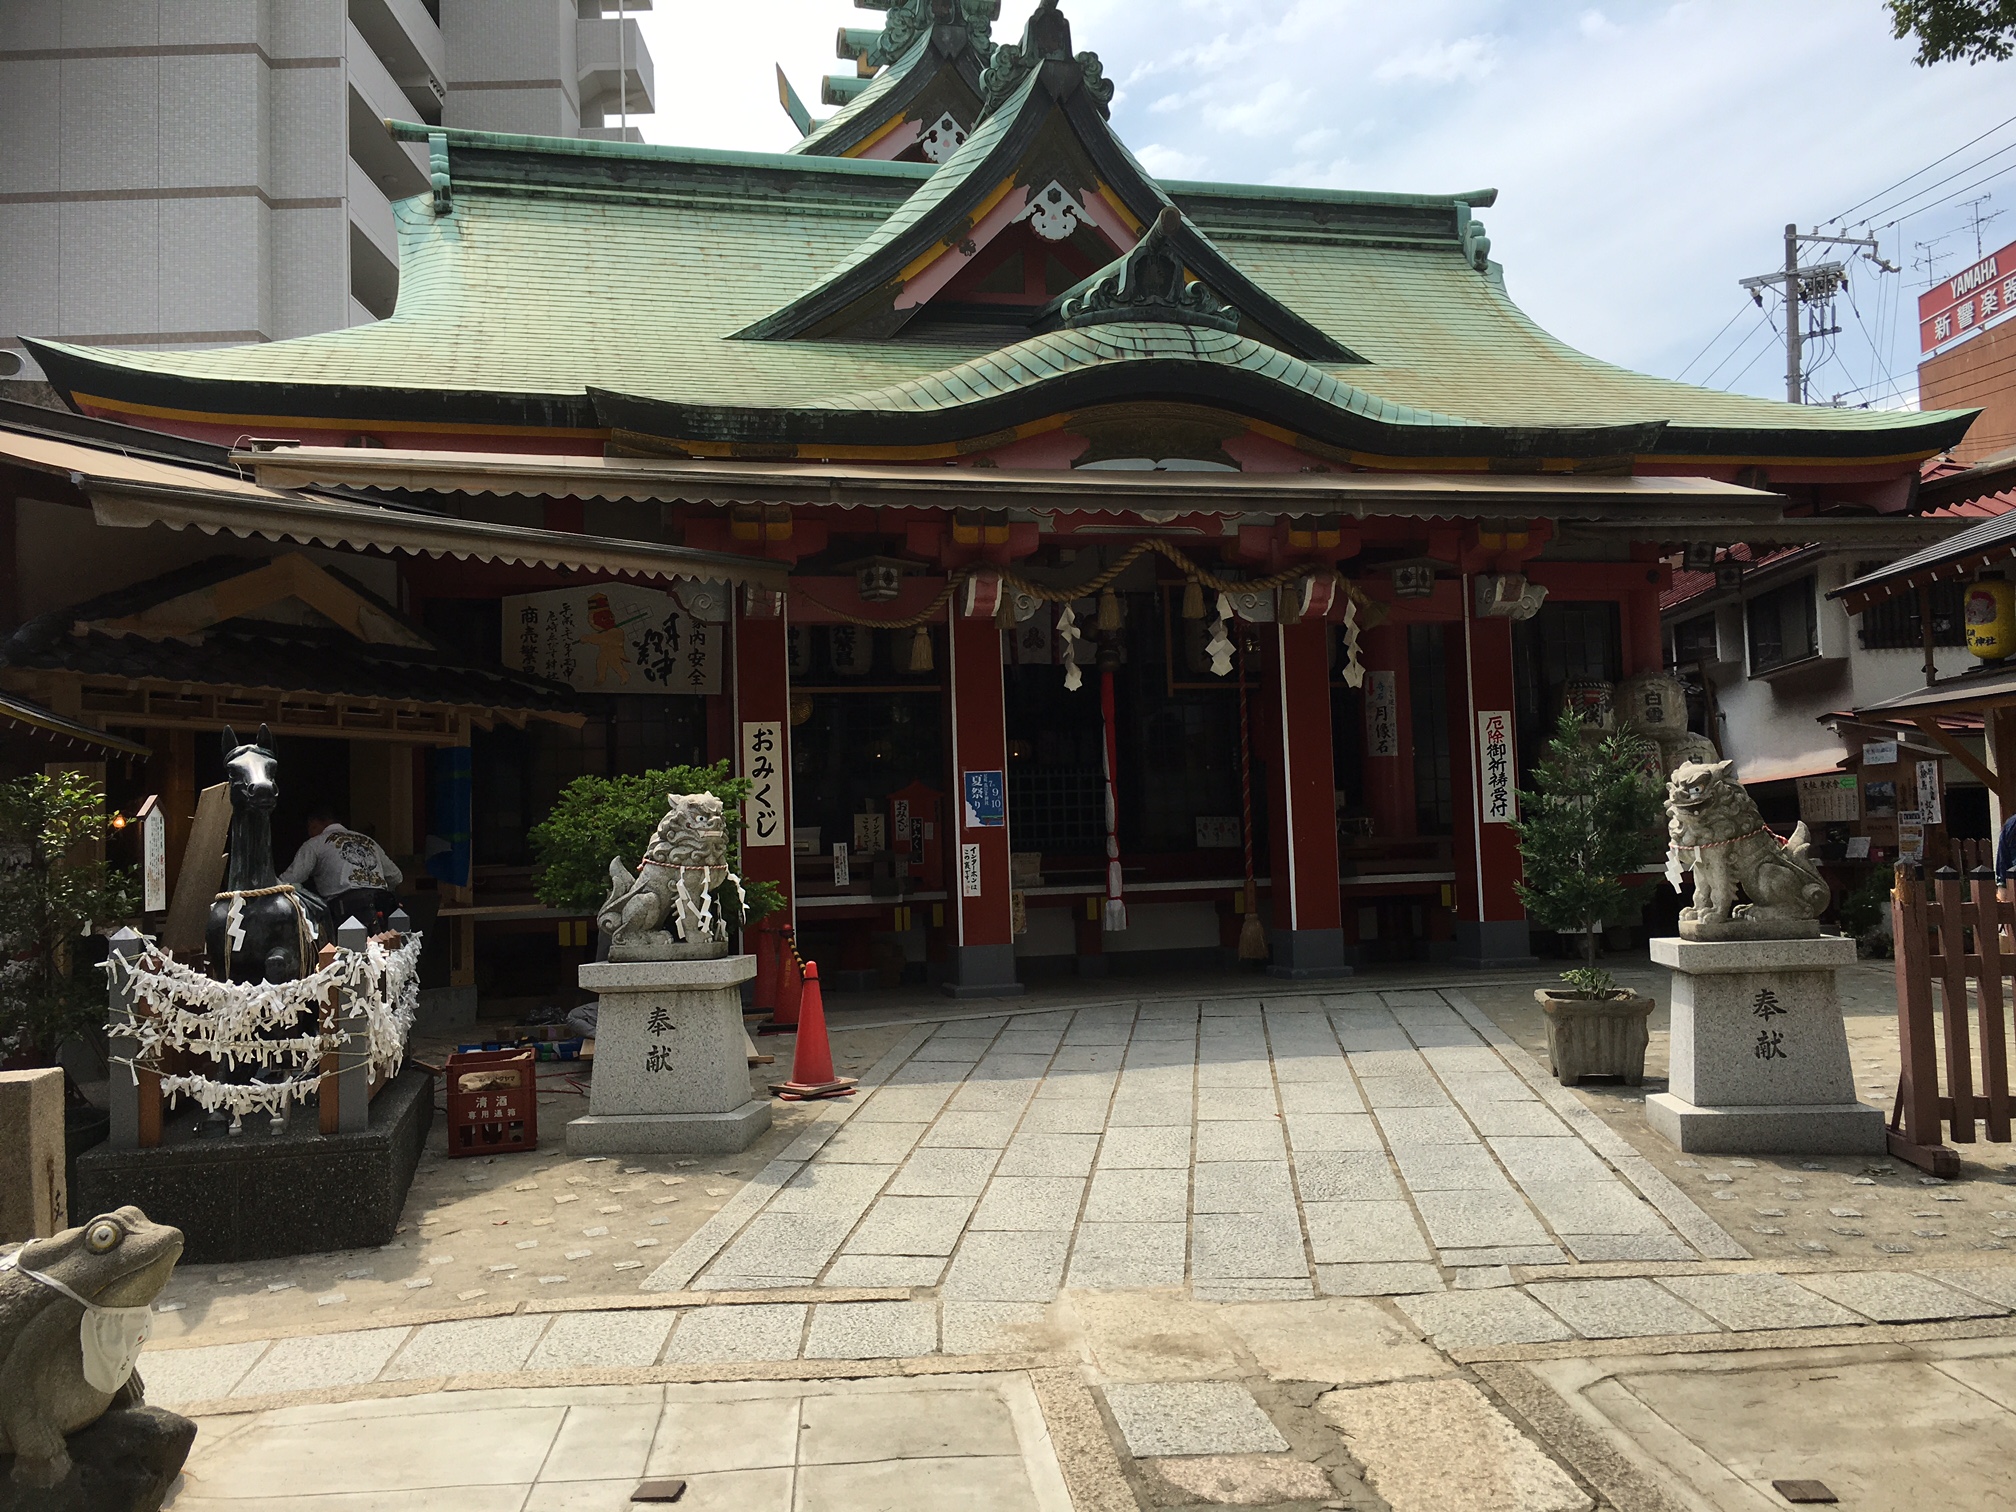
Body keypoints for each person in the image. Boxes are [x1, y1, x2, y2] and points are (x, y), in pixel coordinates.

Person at [282, 807, 405, 929]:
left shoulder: (315, 843)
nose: (309, 834)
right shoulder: (369, 841)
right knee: (388, 940)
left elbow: (290, 880)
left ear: (314, 824)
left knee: (348, 941)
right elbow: (396, 876)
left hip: (346, 909)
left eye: (310, 828)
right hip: (382, 903)